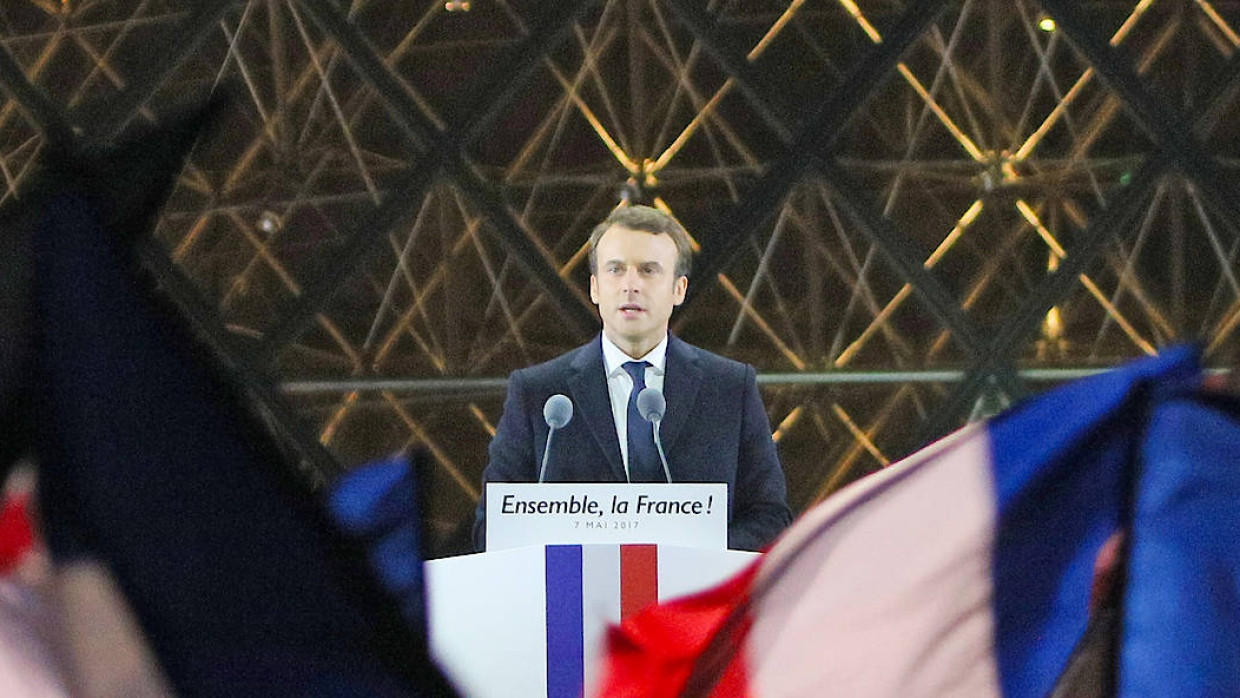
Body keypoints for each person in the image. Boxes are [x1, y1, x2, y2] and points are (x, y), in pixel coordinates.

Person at [473, 205, 791, 552]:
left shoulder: (729, 388)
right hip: (576, 586)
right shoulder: (539, 394)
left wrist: (693, 561)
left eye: (648, 270)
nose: (631, 285)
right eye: (615, 270)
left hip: (694, 587)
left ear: (679, 289)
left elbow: (770, 519)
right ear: (595, 287)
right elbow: (491, 528)